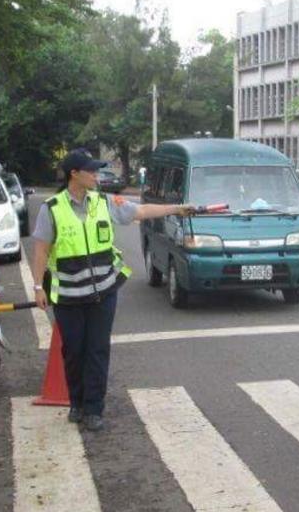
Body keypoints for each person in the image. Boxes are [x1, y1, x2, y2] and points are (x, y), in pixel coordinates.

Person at [31, 149, 194, 432]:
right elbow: (41, 250)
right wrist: (37, 287)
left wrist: (177, 208)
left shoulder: (105, 202)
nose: (97, 175)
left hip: (103, 292)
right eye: (91, 171)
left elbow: (141, 211)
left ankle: (94, 408)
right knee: (74, 352)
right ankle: (77, 402)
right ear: (74, 174)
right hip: (69, 296)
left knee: (97, 350)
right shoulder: (52, 208)